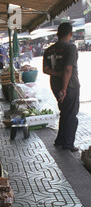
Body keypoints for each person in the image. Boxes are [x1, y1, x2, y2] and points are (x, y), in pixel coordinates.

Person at [43, 22, 80, 152]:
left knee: (64, 111)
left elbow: (45, 69)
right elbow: (68, 69)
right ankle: (68, 143)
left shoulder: (48, 50)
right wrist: (64, 88)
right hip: (69, 86)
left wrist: (58, 74)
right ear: (70, 33)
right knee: (71, 114)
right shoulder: (70, 47)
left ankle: (60, 139)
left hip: (55, 85)